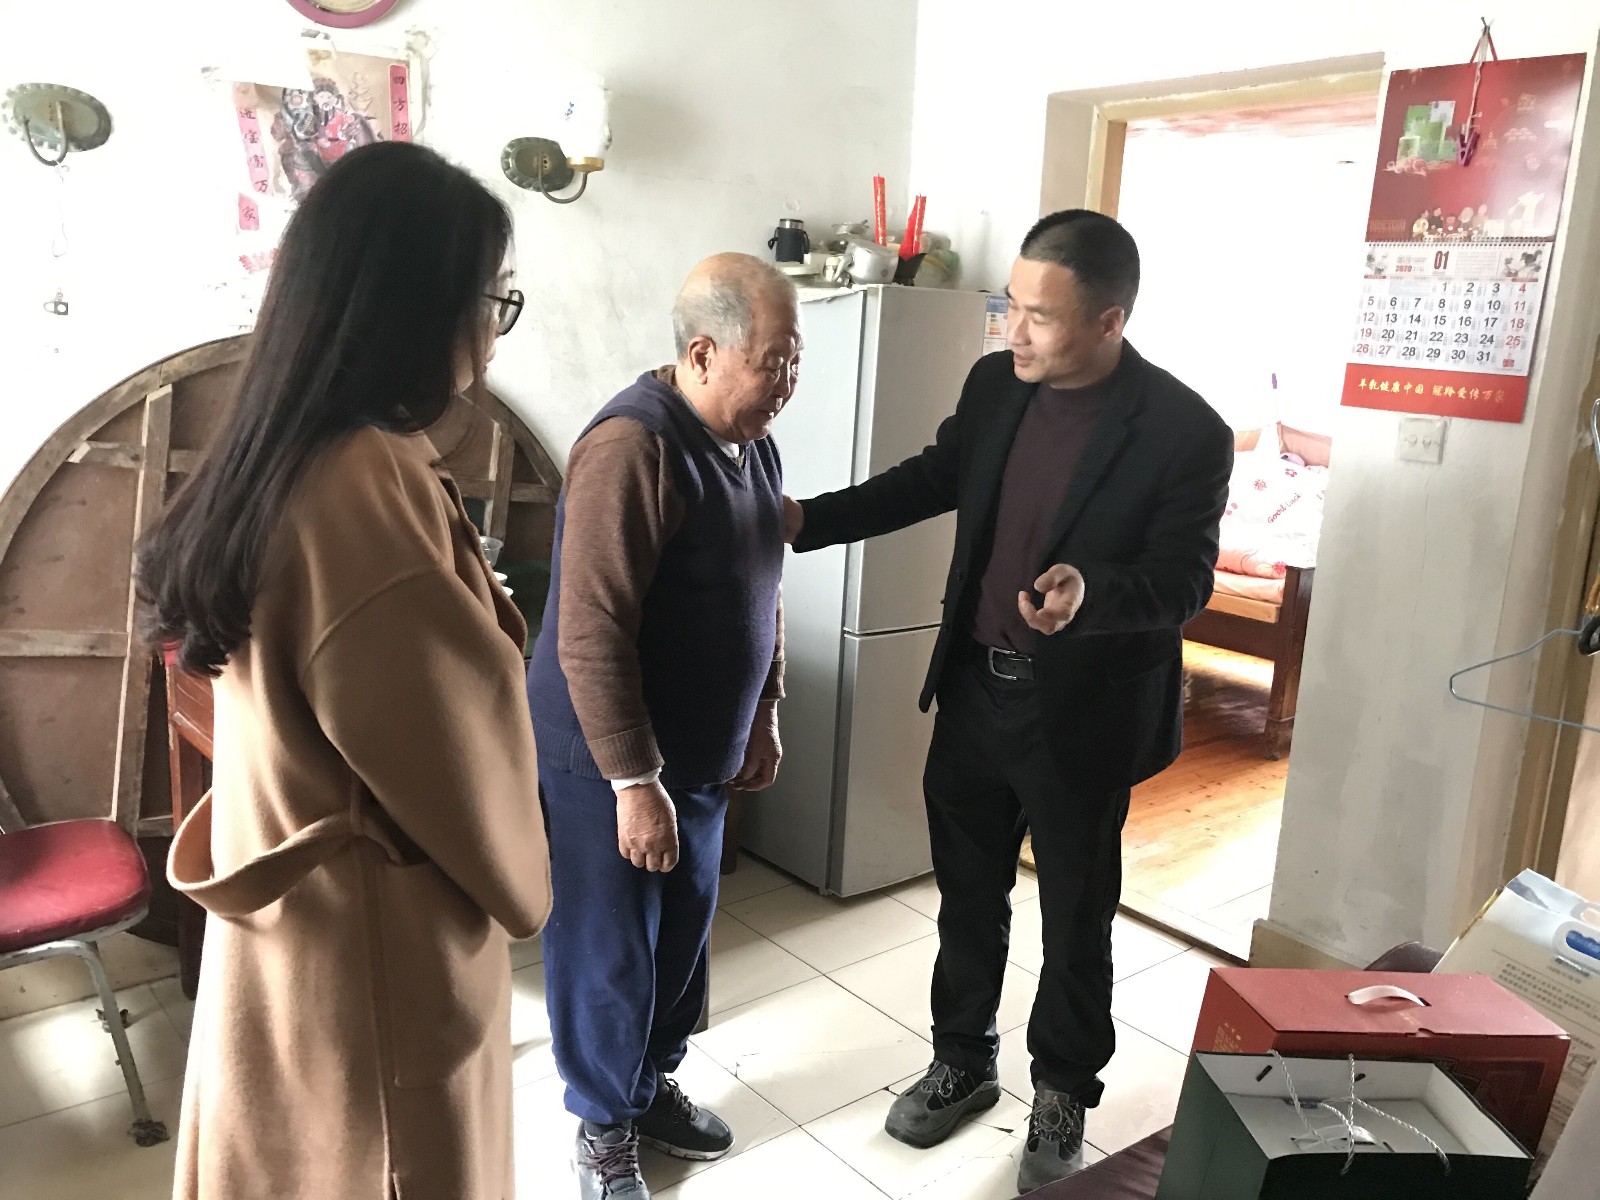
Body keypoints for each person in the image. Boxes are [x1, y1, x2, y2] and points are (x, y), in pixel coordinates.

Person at [784, 210, 1232, 1193]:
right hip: (975, 693)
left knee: (1076, 917)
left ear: (1109, 321)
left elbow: (1184, 580)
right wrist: (806, 520)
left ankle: (1064, 1090)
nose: (1014, 333)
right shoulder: (996, 386)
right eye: (1011, 308)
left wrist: (1092, 592)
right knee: (967, 898)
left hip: (1083, 717)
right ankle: (962, 1061)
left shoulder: (1183, 431)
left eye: (1040, 317)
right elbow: (933, 479)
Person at [137, 141, 551, 1200]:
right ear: (421, 308)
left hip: (302, 931)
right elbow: (448, 749)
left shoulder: (288, 448)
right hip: (374, 950)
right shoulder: (364, 483)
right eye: (494, 298)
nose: (495, 328)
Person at [526, 253, 797, 1200]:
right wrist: (633, 784)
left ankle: (648, 1089)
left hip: (702, 752)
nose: (787, 382)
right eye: (772, 361)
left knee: (682, 936)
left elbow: (763, 589)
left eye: (795, 360)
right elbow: (590, 631)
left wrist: (764, 710)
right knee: (610, 952)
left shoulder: (754, 442)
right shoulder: (632, 448)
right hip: (609, 760)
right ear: (703, 353)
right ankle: (602, 1125)